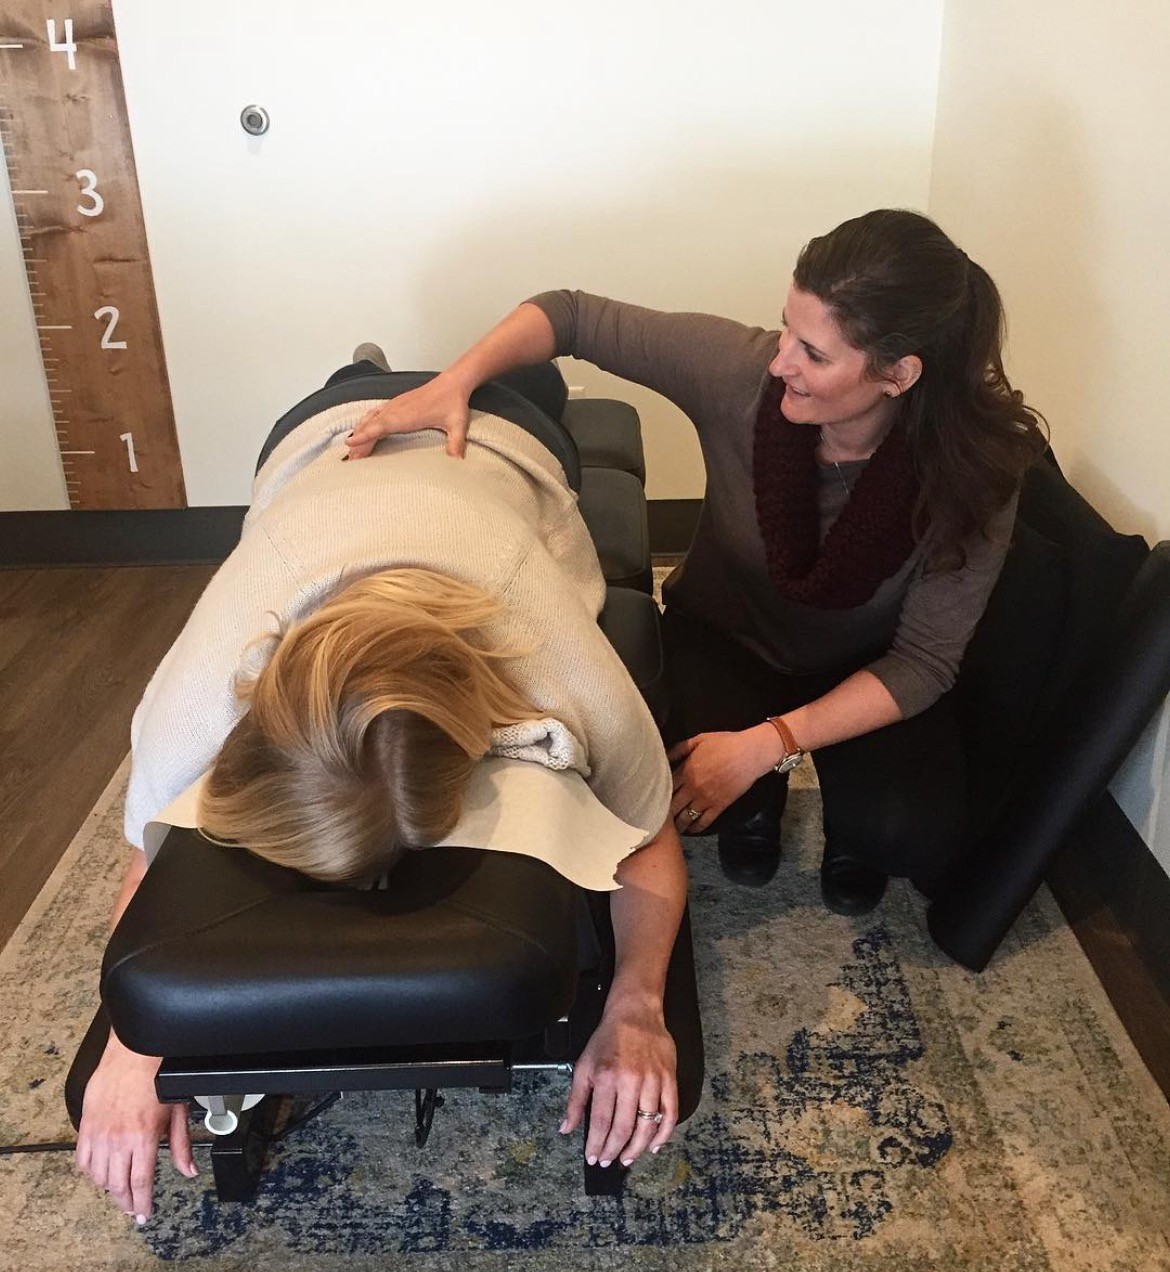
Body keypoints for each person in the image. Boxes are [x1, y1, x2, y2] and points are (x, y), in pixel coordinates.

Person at [74, 352, 695, 1223]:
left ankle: (450, 372)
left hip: (505, 433)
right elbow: (150, 858)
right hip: (316, 438)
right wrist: (131, 1048)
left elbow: (649, 832)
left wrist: (636, 1007)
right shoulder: (196, 698)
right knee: (349, 383)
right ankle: (360, 370)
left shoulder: (552, 655)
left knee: (536, 385)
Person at [345, 208, 1047, 916]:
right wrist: (453, 382)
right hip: (724, 635)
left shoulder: (972, 470)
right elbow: (570, 315)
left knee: (906, 833)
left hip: (865, 665)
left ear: (898, 373)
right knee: (692, 796)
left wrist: (770, 743)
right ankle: (758, 807)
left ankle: (849, 828)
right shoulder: (739, 372)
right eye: (786, 329)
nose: (781, 362)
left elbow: (925, 661)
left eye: (814, 354)